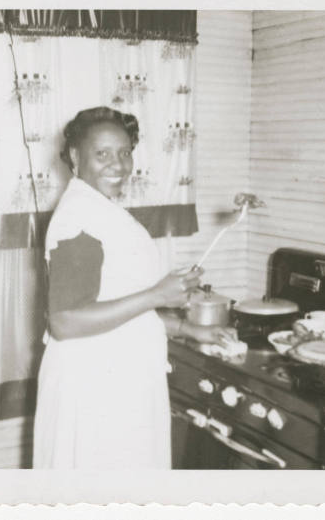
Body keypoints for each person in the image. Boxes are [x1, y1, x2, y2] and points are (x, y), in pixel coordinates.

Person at [32, 106, 236, 469]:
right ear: (76, 157)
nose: (119, 165)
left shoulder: (102, 209)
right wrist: (158, 294)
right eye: (103, 154)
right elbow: (64, 321)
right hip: (96, 390)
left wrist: (188, 328)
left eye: (125, 153)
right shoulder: (79, 216)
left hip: (118, 382)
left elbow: (121, 305)